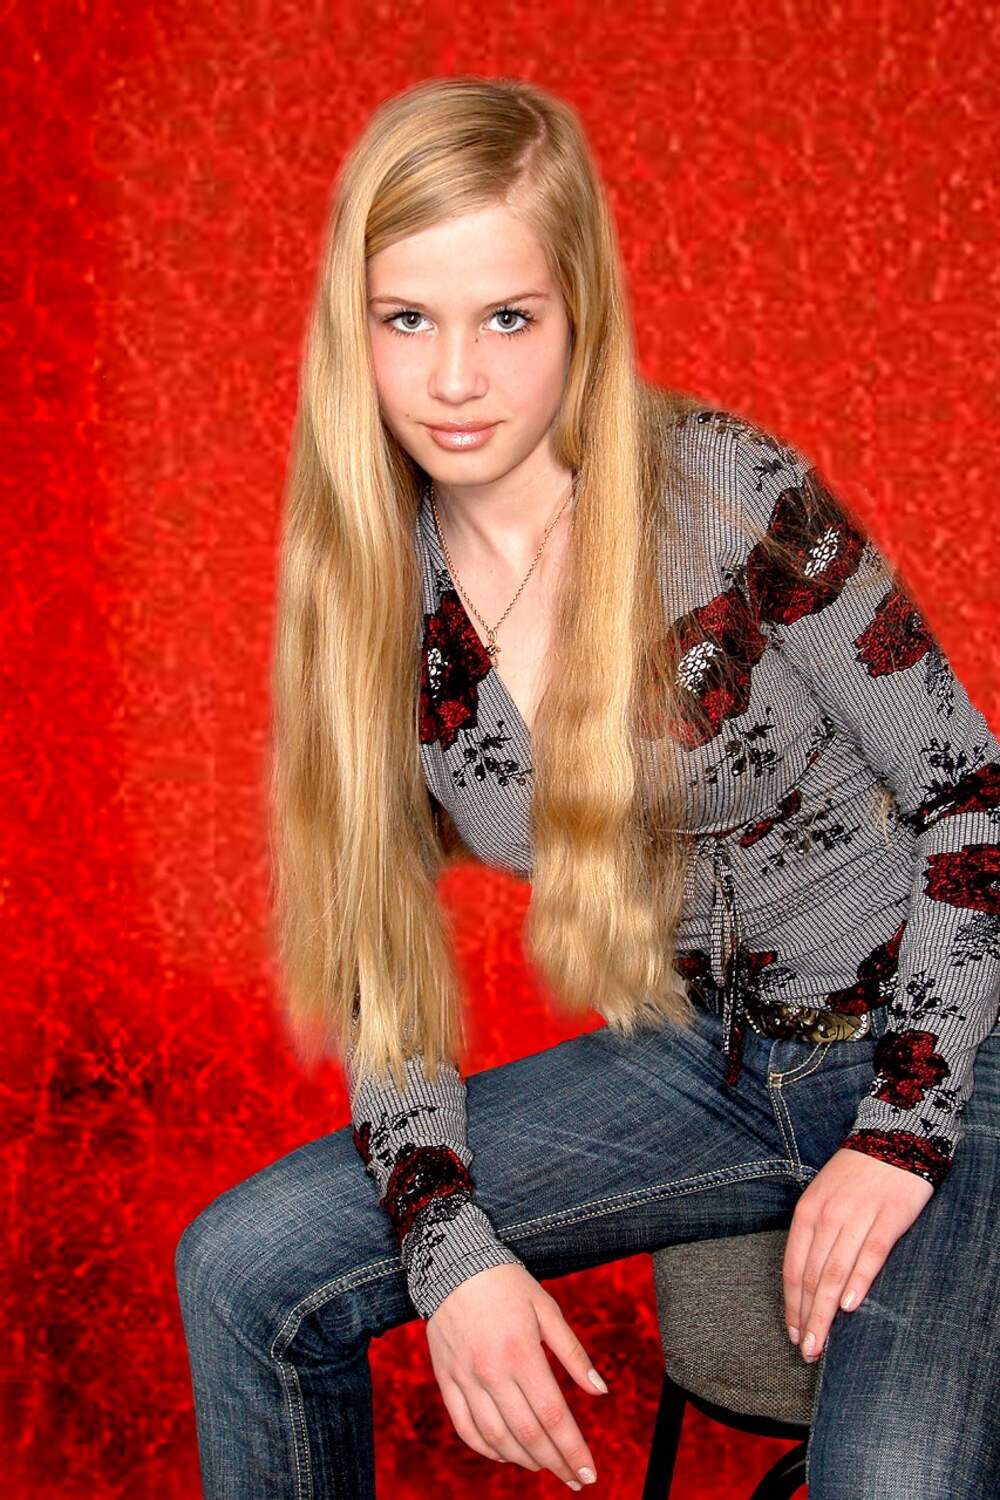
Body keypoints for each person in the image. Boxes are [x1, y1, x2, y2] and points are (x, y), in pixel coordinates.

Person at [174, 75, 1000, 1499]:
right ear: (350, 332)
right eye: (406, 319)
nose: (454, 380)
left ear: (579, 314)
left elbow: (974, 802)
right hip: (710, 1061)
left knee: (897, 1480)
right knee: (242, 1269)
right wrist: (452, 1252)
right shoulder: (369, 594)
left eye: (507, 318)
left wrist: (902, 1129)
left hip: (951, 1044)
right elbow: (382, 958)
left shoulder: (728, 498)